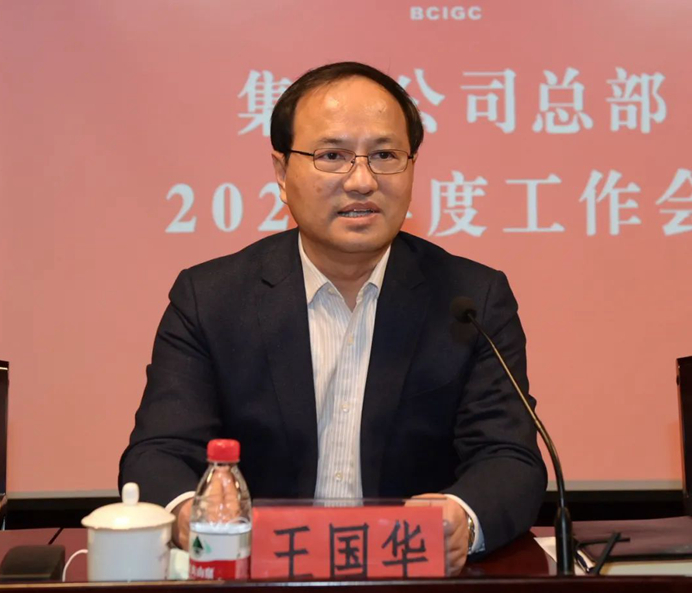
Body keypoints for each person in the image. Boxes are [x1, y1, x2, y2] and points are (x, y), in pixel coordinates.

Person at [119, 61, 546, 575]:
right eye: (332, 156)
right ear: (282, 174)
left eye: (385, 155)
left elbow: (509, 459)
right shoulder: (211, 299)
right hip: (259, 582)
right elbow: (159, 452)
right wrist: (195, 514)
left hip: (413, 581)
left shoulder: (471, 299)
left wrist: (461, 519)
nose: (362, 181)